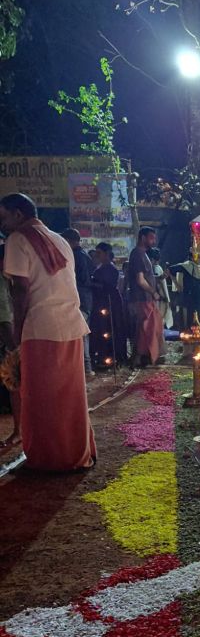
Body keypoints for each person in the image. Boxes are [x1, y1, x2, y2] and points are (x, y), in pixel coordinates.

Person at [0, 192, 96, 471]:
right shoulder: (60, 239)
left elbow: (20, 289)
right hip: (71, 325)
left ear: (18, 215)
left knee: (40, 398)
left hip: (41, 327)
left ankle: (49, 458)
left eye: (4, 217)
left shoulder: (18, 239)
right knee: (70, 396)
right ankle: (76, 452)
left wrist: (18, 332)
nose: (2, 224)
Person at [126, 227, 162, 367]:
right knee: (144, 328)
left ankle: (144, 357)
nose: (154, 240)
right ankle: (138, 358)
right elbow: (140, 280)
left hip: (146, 298)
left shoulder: (143, 254)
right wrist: (153, 292)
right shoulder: (138, 254)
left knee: (148, 328)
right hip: (142, 298)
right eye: (151, 237)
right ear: (142, 238)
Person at [62, 228, 95, 376]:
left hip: (79, 299)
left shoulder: (75, 256)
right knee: (82, 333)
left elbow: (76, 280)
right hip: (85, 299)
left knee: (80, 334)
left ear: (71, 241)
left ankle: (85, 368)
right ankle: (84, 367)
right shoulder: (85, 256)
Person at [90, 242, 127, 367]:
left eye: (99, 253)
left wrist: (91, 284)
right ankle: (102, 356)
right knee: (101, 329)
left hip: (111, 302)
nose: (97, 255)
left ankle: (113, 357)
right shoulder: (99, 268)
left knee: (112, 328)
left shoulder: (111, 269)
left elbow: (108, 286)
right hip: (101, 302)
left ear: (106, 254)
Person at [0, 243, 21, 447]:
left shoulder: (10, 281)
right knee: (16, 385)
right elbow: (5, 318)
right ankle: (18, 430)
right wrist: (14, 347)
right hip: (9, 341)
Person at [169, 250, 200, 329]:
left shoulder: (199, 268)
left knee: (198, 316)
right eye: (198, 257)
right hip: (189, 296)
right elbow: (170, 269)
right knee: (189, 317)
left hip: (198, 297)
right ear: (193, 258)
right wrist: (177, 284)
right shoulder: (186, 266)